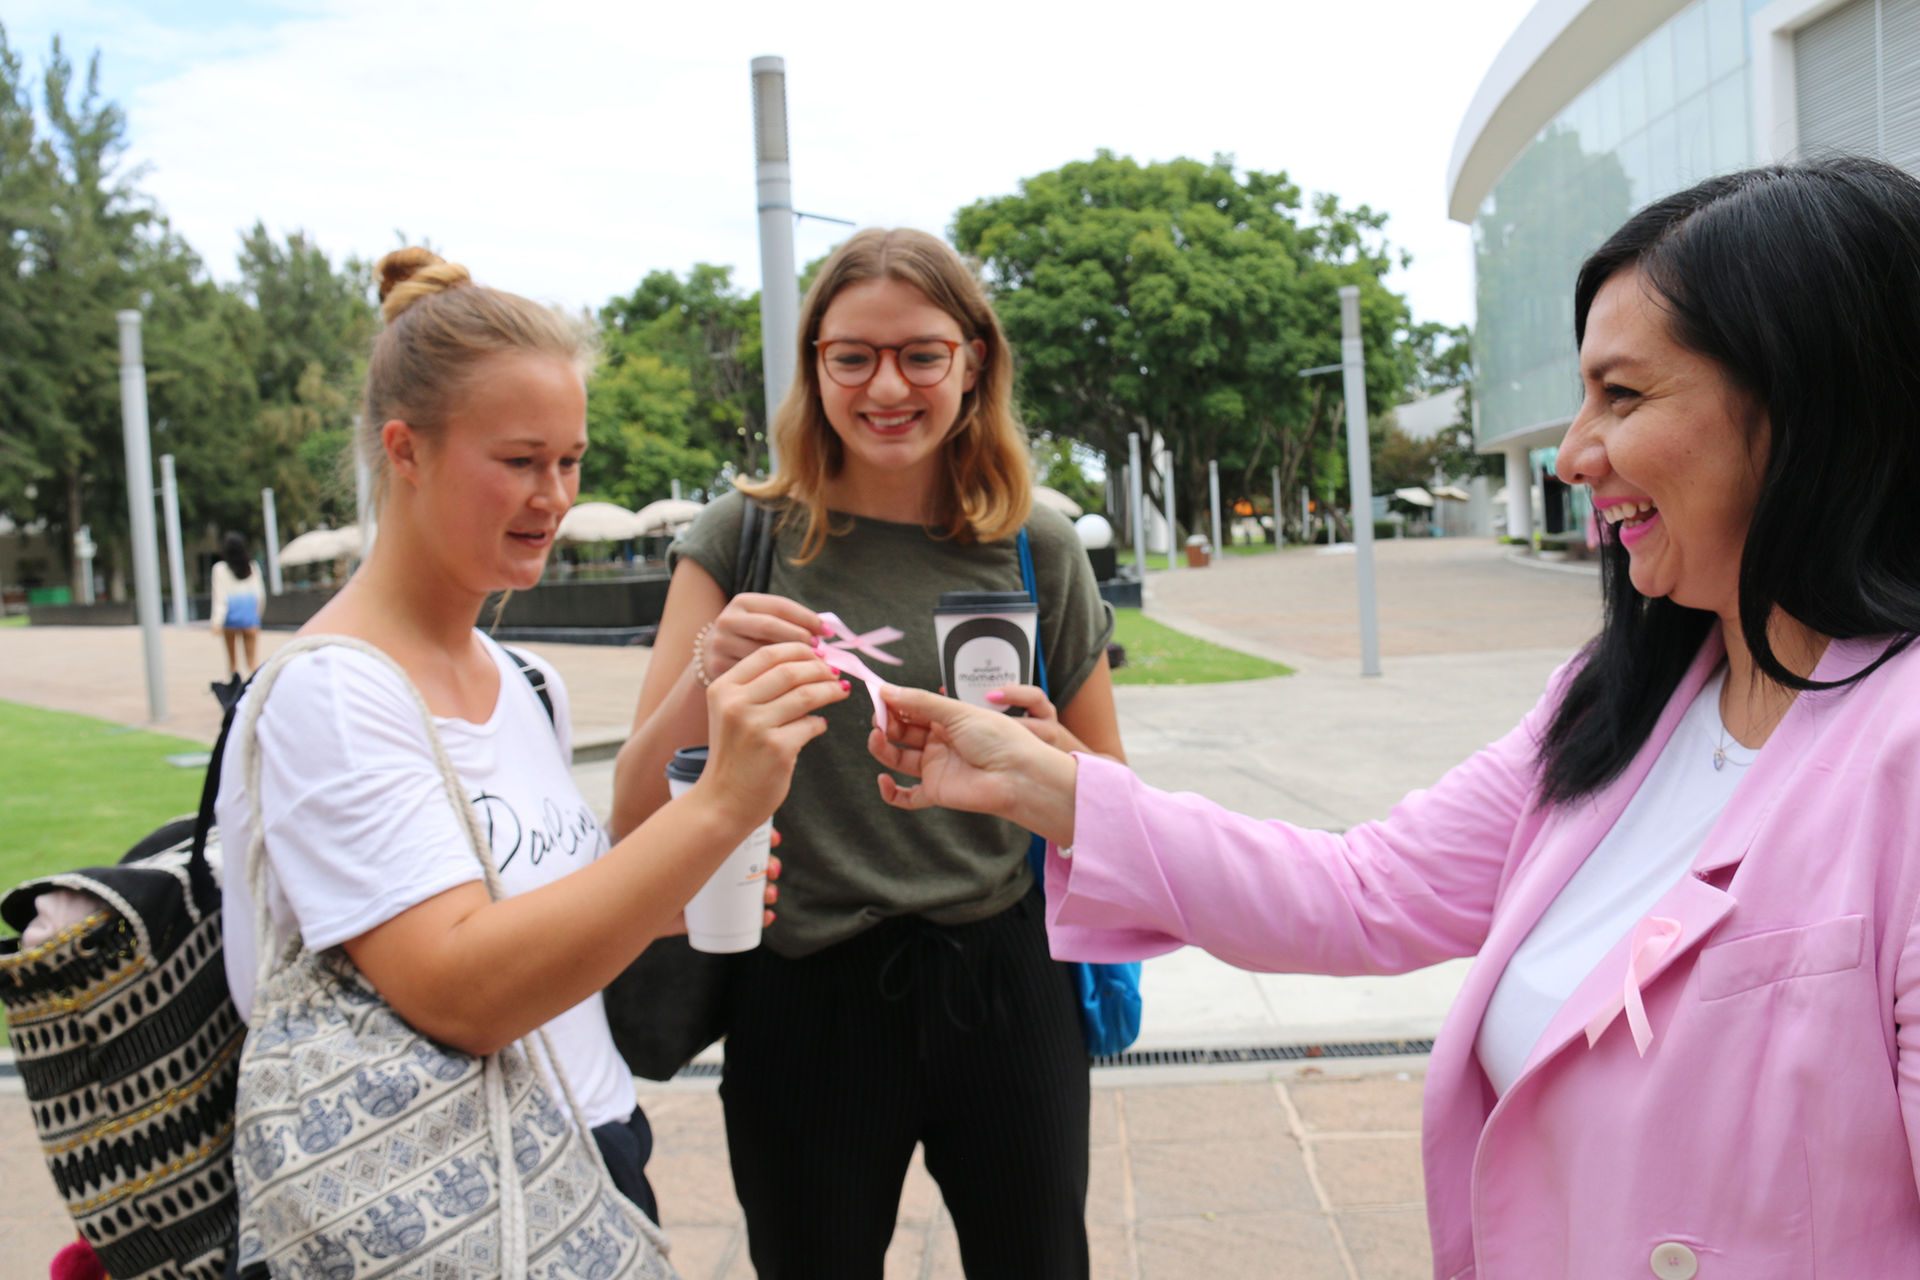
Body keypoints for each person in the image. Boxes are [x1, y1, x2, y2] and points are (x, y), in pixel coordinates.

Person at [866, 157, 1920, 1277]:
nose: (1572, 453)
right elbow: (1360, 889)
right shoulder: (1623, 699)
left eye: (1624, 394)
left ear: (1806, 400)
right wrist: (1054, 789)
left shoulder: (1898, 749)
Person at [216, 248, 845, 1226]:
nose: (552, 494)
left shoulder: (523, 682)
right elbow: (462, 988)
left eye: (570, 460)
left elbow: (558, 915)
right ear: (406, 450)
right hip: (437, 1191)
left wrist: (681, 891)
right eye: (518, 460)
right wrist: (723, 803)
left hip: (586, 1149)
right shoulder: (336, 693)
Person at [611, 227, 1123, 1278]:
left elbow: (1116, 802)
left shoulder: (1037, 544)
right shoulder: (739, 537)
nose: (886, 384)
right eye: (853, 355)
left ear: (973, 358)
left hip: (1004, 975)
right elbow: (633, 808)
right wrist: (712, 668)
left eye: (921, 353)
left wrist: (1054, 760)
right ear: (814, 364)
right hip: (804, 990)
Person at [208, 531, 264, 678]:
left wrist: (216, 622)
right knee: (252, 663)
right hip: (250, 619)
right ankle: (255, 691)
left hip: (230, 620)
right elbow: (259, 595)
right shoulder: (252, 567)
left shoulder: (220, 569)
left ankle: (234, 694)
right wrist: (257, 616)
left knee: (233, 665)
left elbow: (220, 598)